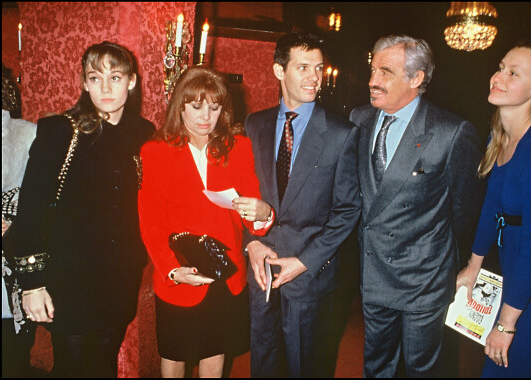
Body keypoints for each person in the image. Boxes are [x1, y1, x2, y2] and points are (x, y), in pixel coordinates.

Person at [2, 41, 155, 377]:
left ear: (131, 81)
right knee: (70, 368)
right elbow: (31, 211)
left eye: (115, 77)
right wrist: (32, 284)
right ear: (84, 83)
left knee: (102, 365)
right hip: (69, 278)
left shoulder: (144, 135)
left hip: (119, 278)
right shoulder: (60, 131)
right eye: (95, 77)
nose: (105, 88)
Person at [349, 34, 485, 377]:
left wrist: (434, 251)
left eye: (385, 72)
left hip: (423, 279)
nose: (372, 81)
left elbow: (464, 210)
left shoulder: (451, 132)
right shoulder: (359, 119)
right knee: (376, 365)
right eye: (372, 69)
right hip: (373, 272)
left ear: (416, 78)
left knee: (422, 370)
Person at [138, 66, 274, 378]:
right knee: (174, 355)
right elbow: (151, 222)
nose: (205, 117)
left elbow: (253, 220)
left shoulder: (238, 148)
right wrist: (173, 269)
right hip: (179, 271)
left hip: (225, 274)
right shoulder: (155, 151)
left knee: (216, 352)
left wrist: (264, 212)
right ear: (179, 106)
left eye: (214, 108)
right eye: (196, 107)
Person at [244, 32, 361, 378]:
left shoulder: (342, 133)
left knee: (305, 365)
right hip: (260, 267)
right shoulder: (255, 124)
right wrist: (250, 242)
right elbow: (242, 191)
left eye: (319, 68)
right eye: (303, 67)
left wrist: (305, 261)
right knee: (262, 360)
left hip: (309, 274)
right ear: (279, 71)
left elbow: (347, 210)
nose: (314, 77)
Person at [456, 42, 531, 377]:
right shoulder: (503, 136)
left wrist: (507, 325)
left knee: (515, 360)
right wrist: (473, 266)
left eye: (513, 73)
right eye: (500, 67)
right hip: (518, 258)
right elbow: (492, 206)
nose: (499, 76)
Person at [2, 63, 37, 378]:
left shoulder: (27, 134)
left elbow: (44, 201)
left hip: (11, 266)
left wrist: (13, 219)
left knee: (12, 354)